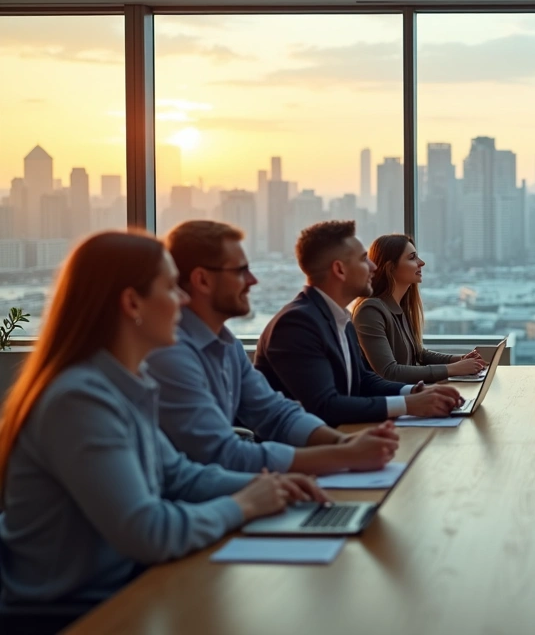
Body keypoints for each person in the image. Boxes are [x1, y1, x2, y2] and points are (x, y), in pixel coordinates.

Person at [0, 231, 326, 605]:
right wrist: (246, 504)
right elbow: (148, 531)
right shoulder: (78, 399)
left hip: (124, 592)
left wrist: (271, 485)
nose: (185, 300)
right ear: (132, 303)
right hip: (73, 615)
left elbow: (179, 476)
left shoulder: (125, 383)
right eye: (172, 288)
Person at [147, 220, 400, 475]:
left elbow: (276, 413)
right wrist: (341, 454)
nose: (253, 280)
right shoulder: (171, 353)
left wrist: (343, 442)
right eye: (240, 271)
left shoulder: (229, 345)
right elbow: (219, 454)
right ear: (202, 280)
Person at [255, 221, 462, 427]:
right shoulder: (296, 325)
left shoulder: (340, 319)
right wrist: (408, 404)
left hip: (343, 438)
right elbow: (325, 407)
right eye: (364, 259)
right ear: (340, 270)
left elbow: (363, 380)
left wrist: (416, 391)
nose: (373, 267)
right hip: (305, 452)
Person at [353, 234, 485, 383]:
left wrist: (460, 360)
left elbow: (419, 354)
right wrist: (453, 369)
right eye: (412, 258)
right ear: (390, 268)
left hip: (410, 397)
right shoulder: (370, 311)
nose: (421, 263)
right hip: (391, 403)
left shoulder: (400, 307)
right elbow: (389, 372)